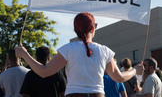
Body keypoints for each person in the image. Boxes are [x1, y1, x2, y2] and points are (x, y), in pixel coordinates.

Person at [15, 12, 144, 97]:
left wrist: (25, 54)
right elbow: (119, 77)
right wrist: (135, 70)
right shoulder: (104, 50)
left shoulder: (68, 49)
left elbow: (44, 72)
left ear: (75, 30)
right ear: (93, 29)